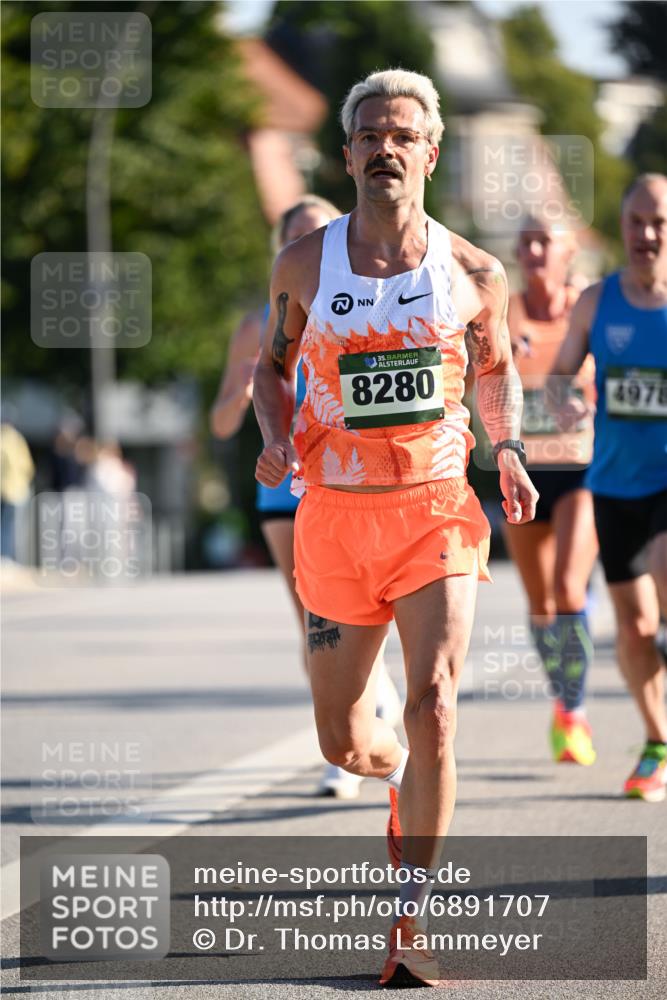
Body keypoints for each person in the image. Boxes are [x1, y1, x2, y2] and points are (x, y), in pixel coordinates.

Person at [254, 69, 538, 986]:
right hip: (332, 520)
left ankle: (409, 922)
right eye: (369, 134)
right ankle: (394, 777)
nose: (385, 147)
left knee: (438, 706)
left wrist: (508, 449)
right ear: (347, 154)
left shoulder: (471, 273)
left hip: (436, 511)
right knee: (346, 742)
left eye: (401, 134)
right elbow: (271, 366)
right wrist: (272, 436)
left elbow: (493, 370)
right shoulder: (305, 262)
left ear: (430, 151)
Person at [211, 196, 401, 800]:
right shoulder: (253, 325)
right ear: (283, 249)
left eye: (320, 230)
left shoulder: (364, 302)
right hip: (283, 480)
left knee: (361, 611)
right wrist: (244, 394)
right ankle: (346, 741)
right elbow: (218, 425)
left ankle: (372, 706)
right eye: (298, 235)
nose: (311, 242)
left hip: (347, 476)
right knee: (313, 620)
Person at [548, 173, 667, 803]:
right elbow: (560, 377)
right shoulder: (597, 302)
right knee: (635, 630)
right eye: (636, 222)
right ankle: (657, 743)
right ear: (622, 227)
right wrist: (565, 404)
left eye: (659, 223)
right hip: (616, 483)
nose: (647, 234)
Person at [504, 217, 598, 765]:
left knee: (567, 587)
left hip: (580, 467)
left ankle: (575, 711)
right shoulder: (502, 309)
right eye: (527, 241)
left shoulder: (587, 306)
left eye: (546, 240)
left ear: (568, 250)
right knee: (539, 603)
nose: (535, 250)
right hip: (519, 470)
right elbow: (478, 382)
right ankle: (564, 699)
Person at [0, 418, 35, 562]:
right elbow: (28, 466)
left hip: (6, 490)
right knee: (12, 527)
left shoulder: (4, 439)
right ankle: (8, 556)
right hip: (16, 491)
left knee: (6, 525)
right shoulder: (17, 439)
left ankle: (6, 556)